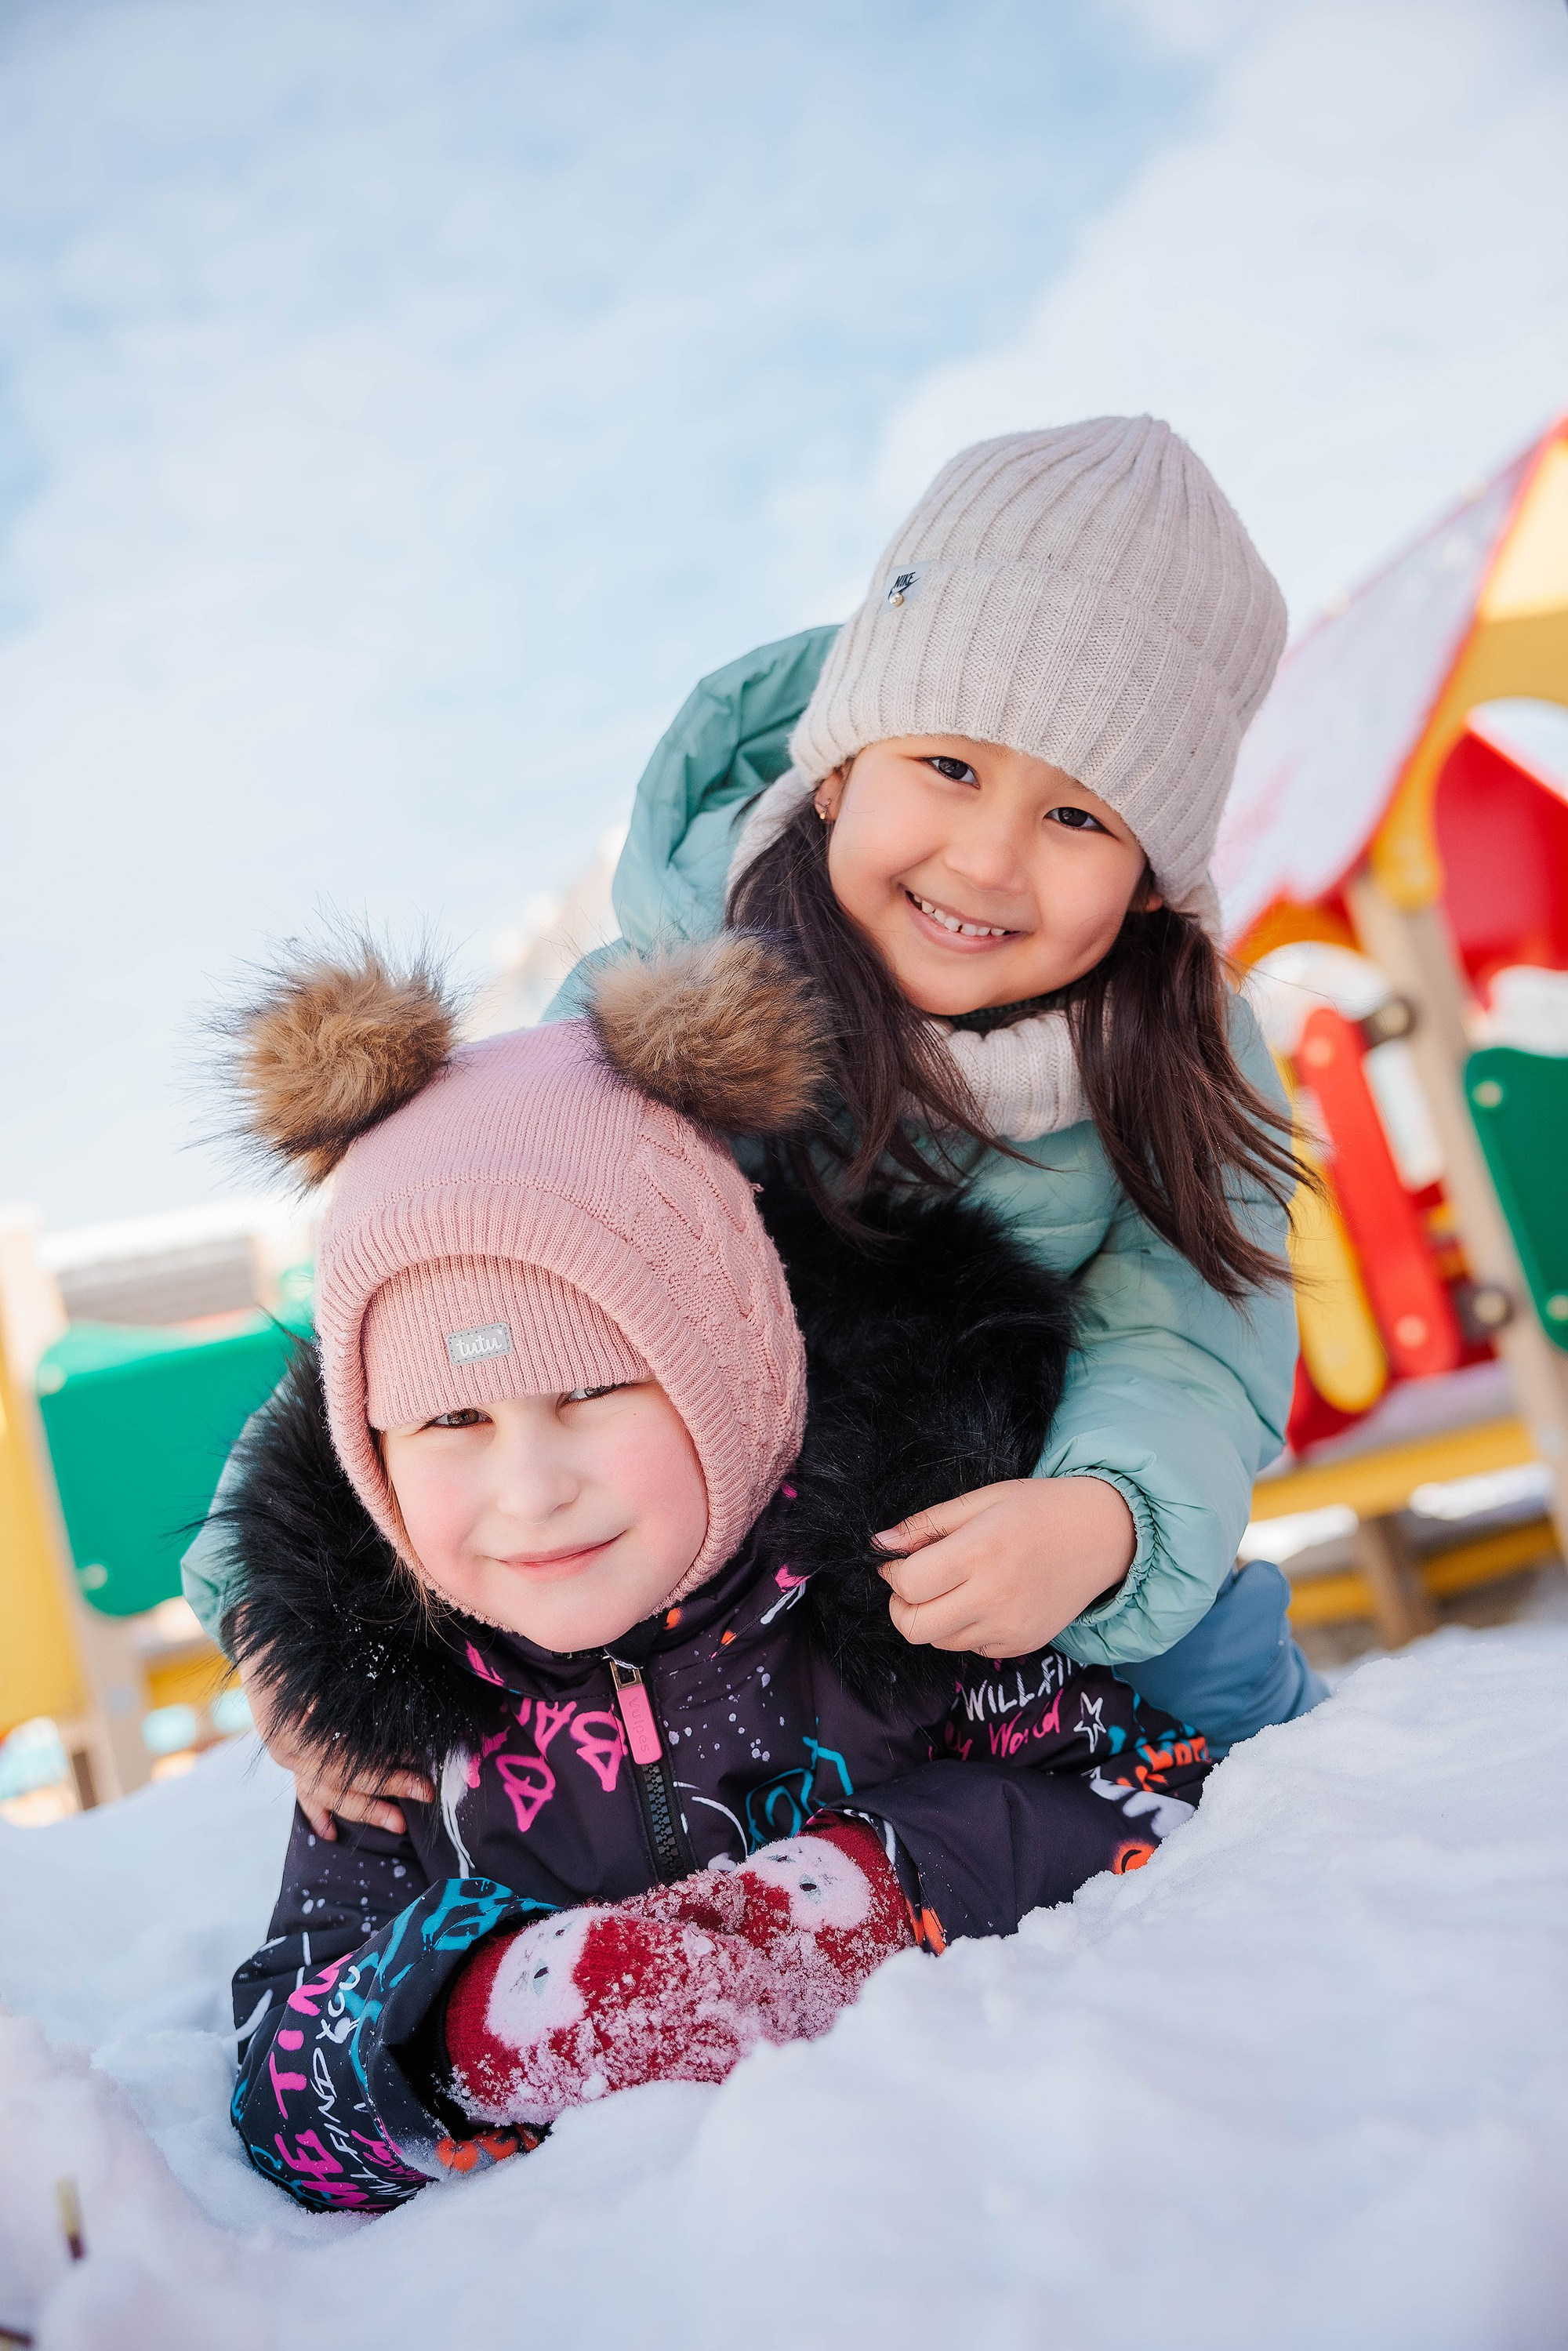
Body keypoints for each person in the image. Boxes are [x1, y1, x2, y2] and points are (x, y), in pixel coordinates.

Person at [183, 413, 1322, 1837]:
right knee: (500, 1732)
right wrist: (276, 1614)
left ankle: (1273, 1840)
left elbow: (1188, 1331)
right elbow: (429, 1286)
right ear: (841, 766)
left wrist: (1107, 1517)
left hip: (997, 1519)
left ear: (1152, 883)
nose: (986, 858)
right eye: (950, 769)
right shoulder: (671, 1000)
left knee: (1206, 1656)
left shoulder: (1174, 1051)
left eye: (1080, 817)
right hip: (730, 1566)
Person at [222, 941, 1213, 2212]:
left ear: (731, 1376)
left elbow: (1149, 1795)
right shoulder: (394, 1733)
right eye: (451, 1424)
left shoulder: (892, 1593)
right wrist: (496, 2018)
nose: (530, 1489)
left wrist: (853, 1892)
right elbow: (281, 2091)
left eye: (589, 1393)